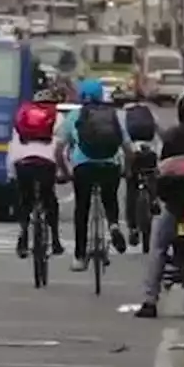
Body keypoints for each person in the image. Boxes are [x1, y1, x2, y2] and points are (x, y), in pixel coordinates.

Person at [135, 86, 184, 318]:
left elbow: (161, 171)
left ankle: (149, 300)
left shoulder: (172, 136)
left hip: (175, 204)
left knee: (158, 246)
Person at [55, 78, 131, 271]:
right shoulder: (113, 115)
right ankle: (113, 225)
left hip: (83, 167)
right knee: (110, 199)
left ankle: (80, 256)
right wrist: (127, 169)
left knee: (82, 209)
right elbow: (127, 148)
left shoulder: (74, 115)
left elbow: (59, 150)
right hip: (109, 164)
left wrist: (66, 172)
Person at [9, 88, 66, 258]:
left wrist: (11, 173)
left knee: (24, 201)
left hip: (23, 162)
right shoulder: (58, 117)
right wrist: (63, 171)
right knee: (50, 200)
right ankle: (55, 240)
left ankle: (23, 237)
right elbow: (62, 149)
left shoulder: (23, 116)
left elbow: (13, 148)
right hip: (47, 164)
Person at [121, 101, 160, 246]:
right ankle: (154, 200)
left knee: (131, 188)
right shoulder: (150, 113)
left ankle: (132, 228)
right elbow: (159, 133)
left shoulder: (124, 115)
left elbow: (123, 141)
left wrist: (125, 169)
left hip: (133, 154)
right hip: (150, 153)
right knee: (152, 176)